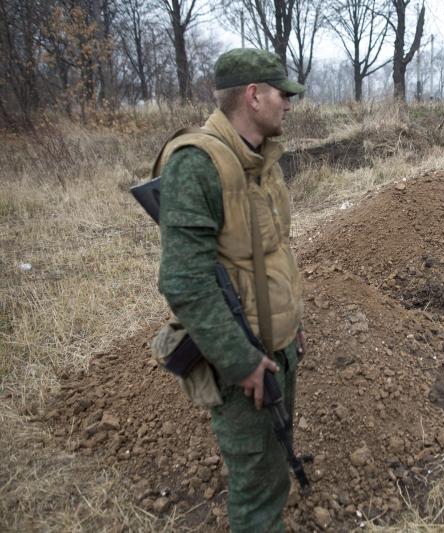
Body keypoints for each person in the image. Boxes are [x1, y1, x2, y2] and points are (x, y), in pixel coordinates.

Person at [154, 48, 306, 532]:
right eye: (283, 95)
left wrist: (291, 326)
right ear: (253, 95)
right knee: (257, 488)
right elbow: (186, 282)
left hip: (276, 348)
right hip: (241, 359)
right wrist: (240, 360)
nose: (289, 104)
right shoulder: (197, 164)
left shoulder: (263, 159)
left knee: (271, 469)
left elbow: (272, 253)